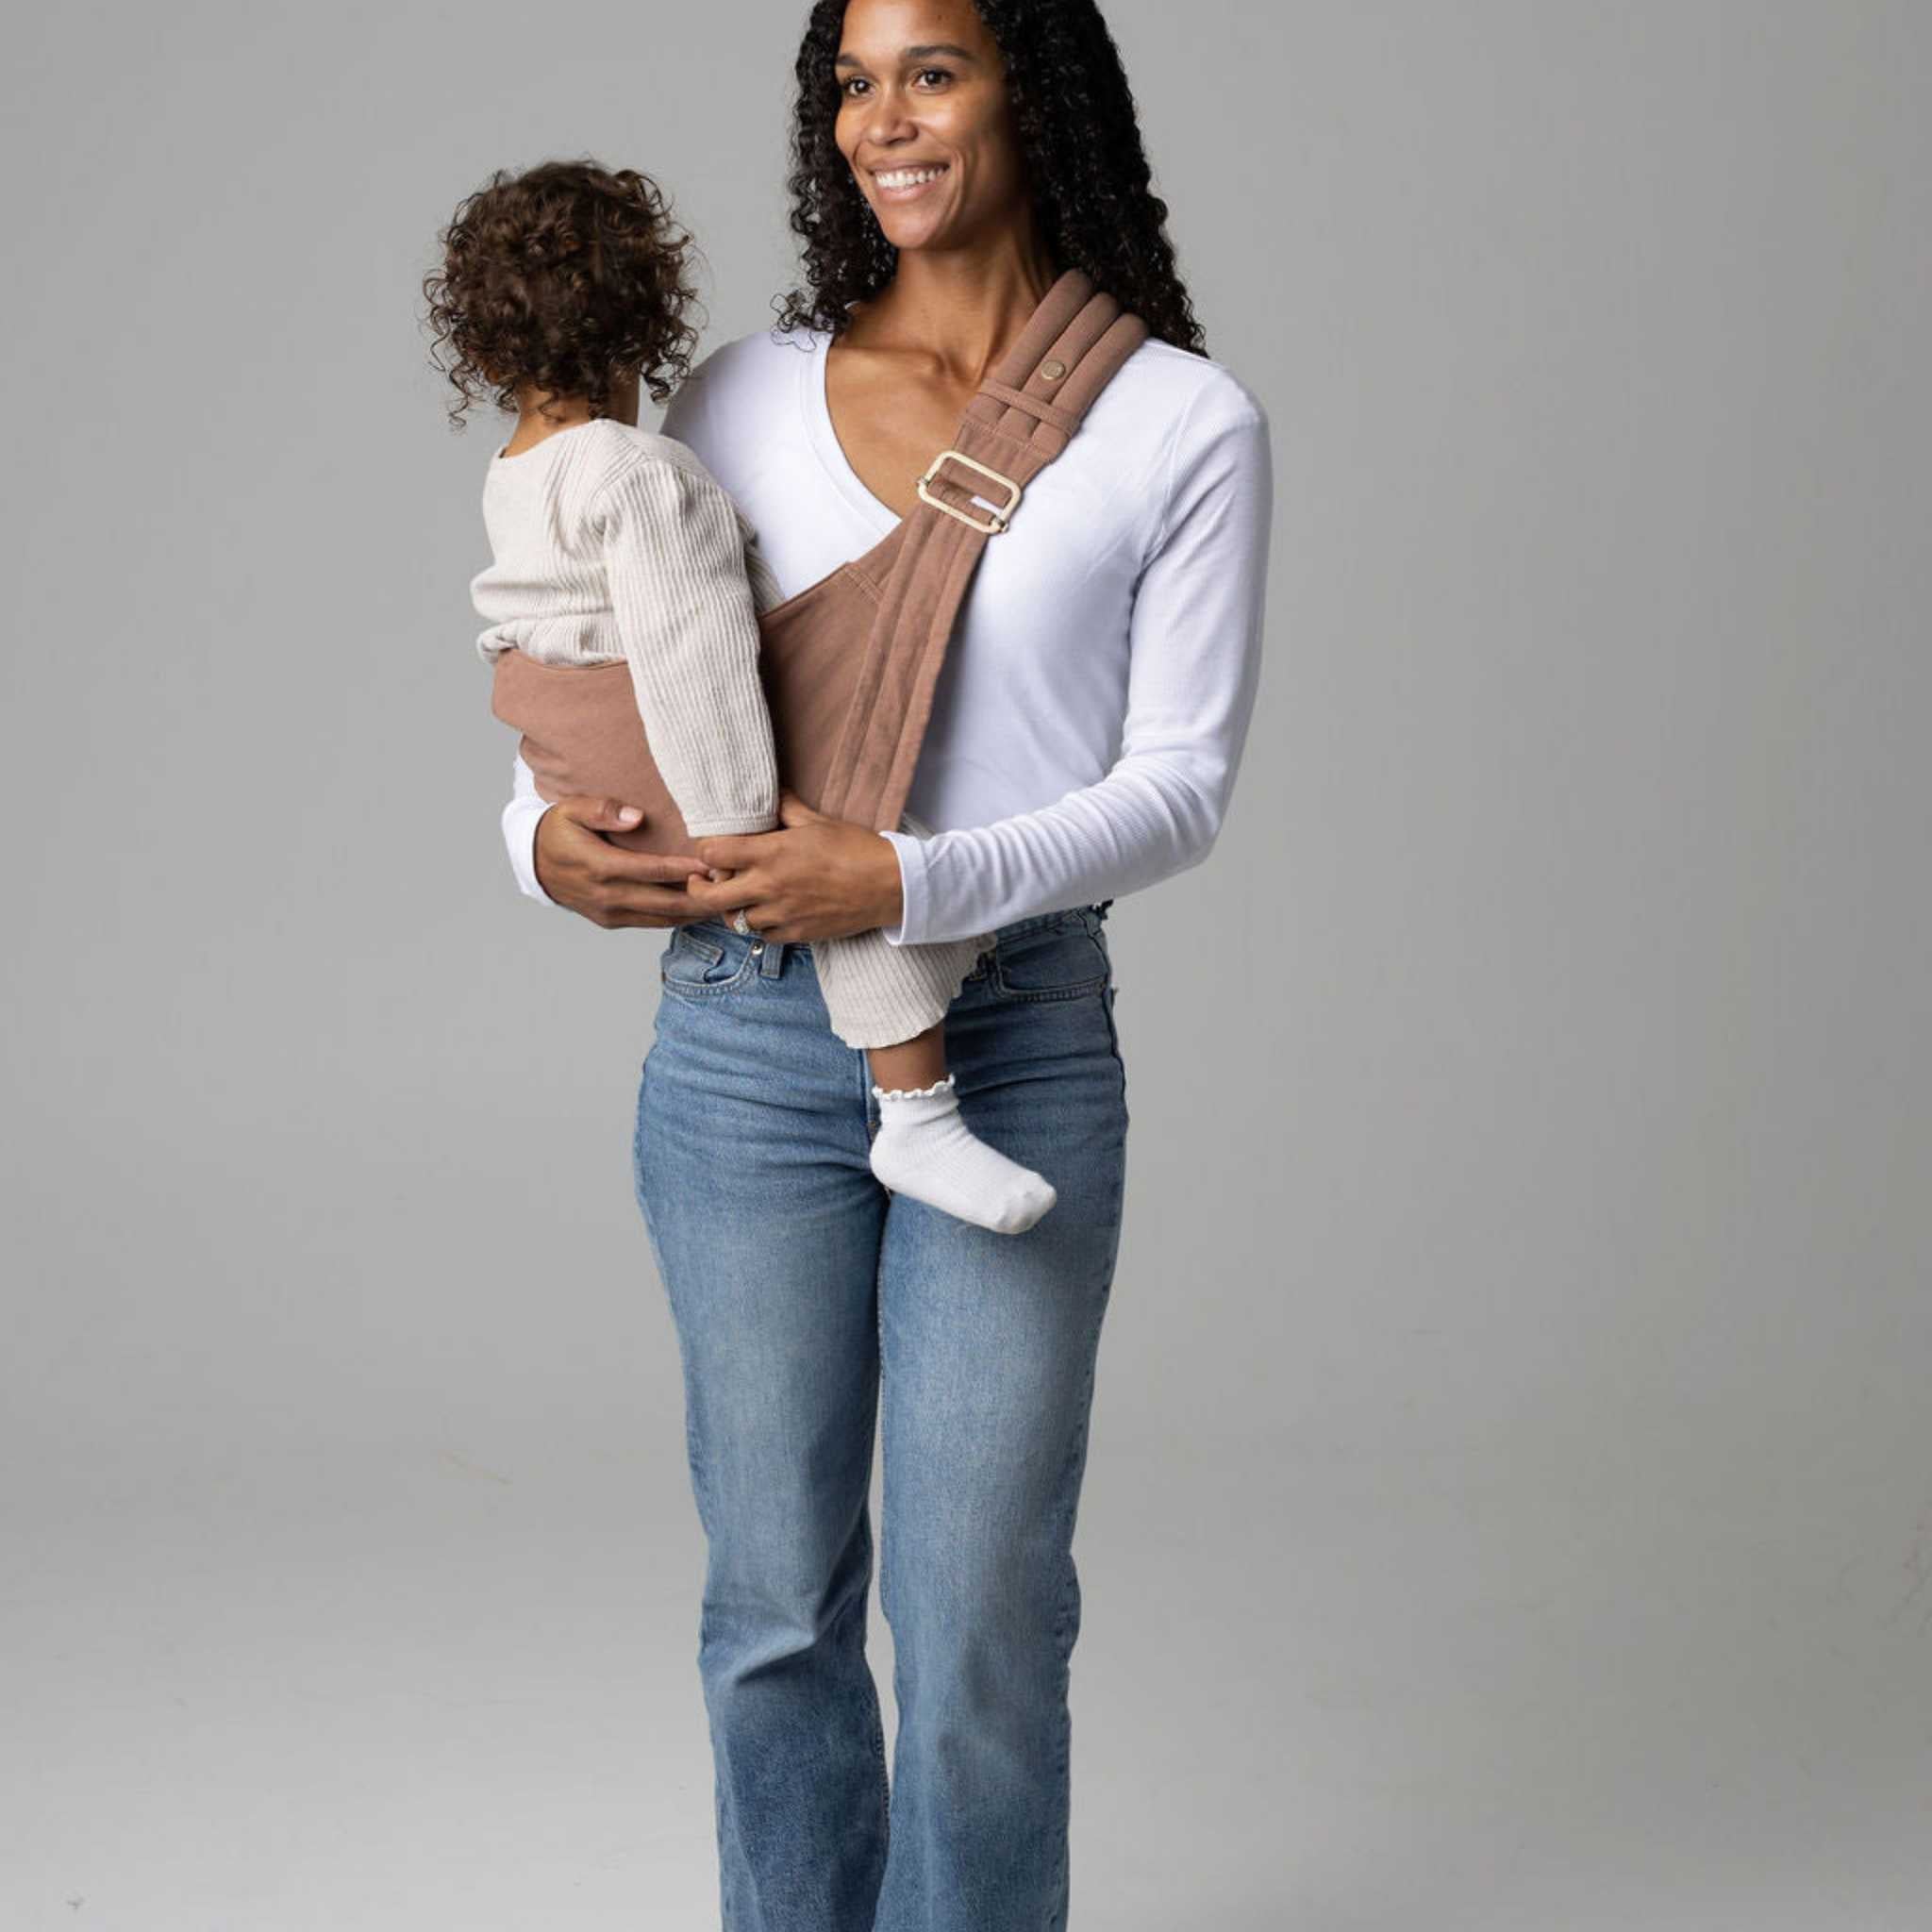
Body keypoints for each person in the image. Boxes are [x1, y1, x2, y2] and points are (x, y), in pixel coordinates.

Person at [498, 2, 1271, 1924]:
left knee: (981, 1599)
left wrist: (908, 877)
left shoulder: (1179, 420)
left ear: (1035, 89)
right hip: (743, 1043)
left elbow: (1178, 789)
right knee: (772, 1598)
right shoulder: (734, 396)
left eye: (932, 69)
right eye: (850, 81)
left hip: (1009, 1036)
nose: (880, 119)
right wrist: (534, 845)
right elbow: (616, 678)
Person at [426, 158, 1058, 1237]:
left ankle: (916, 1080)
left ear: (481, 345)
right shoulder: (637, 472)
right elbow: (694, 656)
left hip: (583, 766)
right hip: (679, 768)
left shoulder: (514, 470)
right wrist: (745, 835)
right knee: (853, 847)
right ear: (642, 325)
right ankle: (918, 1111)